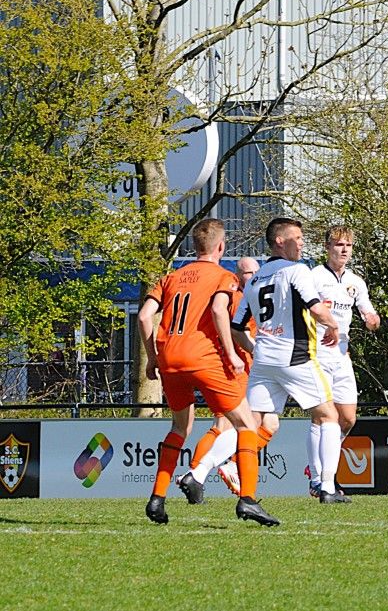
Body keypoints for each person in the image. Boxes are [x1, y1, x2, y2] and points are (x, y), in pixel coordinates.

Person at [137, 219, 274, 526]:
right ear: (221, 247)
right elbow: (217, 310)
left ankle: (157, 499)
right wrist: (230, 354)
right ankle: (248, 500)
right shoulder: (224, 277)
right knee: (247, 424)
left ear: (194, 246)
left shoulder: (170, 277)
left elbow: (145, 317)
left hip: (170, 358)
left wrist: (152, 358)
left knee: (180, 427)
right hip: (203, 358)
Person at [229, 217, 345, 504]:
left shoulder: (256, 277)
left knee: (252, 424)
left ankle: (206, 468)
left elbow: (236, 327)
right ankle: (327, 487)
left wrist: (254, 350)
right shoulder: (296, 270)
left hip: (264, 360)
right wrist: (333, 326)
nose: (303, 242)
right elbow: (316, 308)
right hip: (295, 356)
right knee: (329, 416)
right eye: (298, 237)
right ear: (280, 241)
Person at [308, 225, 381, 494]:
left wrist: (372, 321)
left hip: (341, 355)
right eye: (339, 244)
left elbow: (370, 316)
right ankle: (318, 477)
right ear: (327, 247)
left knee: (347, 419)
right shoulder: (314, 277)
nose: (344, 250)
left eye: (348, 245)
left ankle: (324, 462)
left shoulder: (355, 282)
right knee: (322, 416)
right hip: (316, 355)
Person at [179, 256, 258, 497]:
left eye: (256, 271)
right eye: (247, 273)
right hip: (235, 366)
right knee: (233, 423)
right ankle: (198, 472)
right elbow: (234, 332)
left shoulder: (249, 296)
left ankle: (194, 475)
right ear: (238, 275)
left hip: (238, 364)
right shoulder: (236, 298)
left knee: (227, 423)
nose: (253, 276)